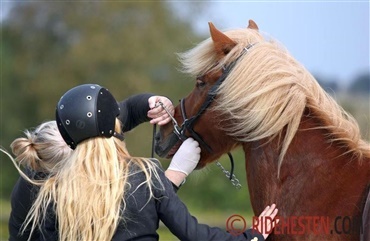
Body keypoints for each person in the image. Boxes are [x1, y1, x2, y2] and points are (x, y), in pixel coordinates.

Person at [21, 83, 278, 241]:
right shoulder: (147, 175)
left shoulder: (52, 195)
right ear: (116, 126)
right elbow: (195, 235)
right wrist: (253, 237)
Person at [6, 91, 177, 241]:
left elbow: (128, 110)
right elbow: (138, 212)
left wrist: (154, 103)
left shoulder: (85, 130)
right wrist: (176, 175)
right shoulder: (34, 195)